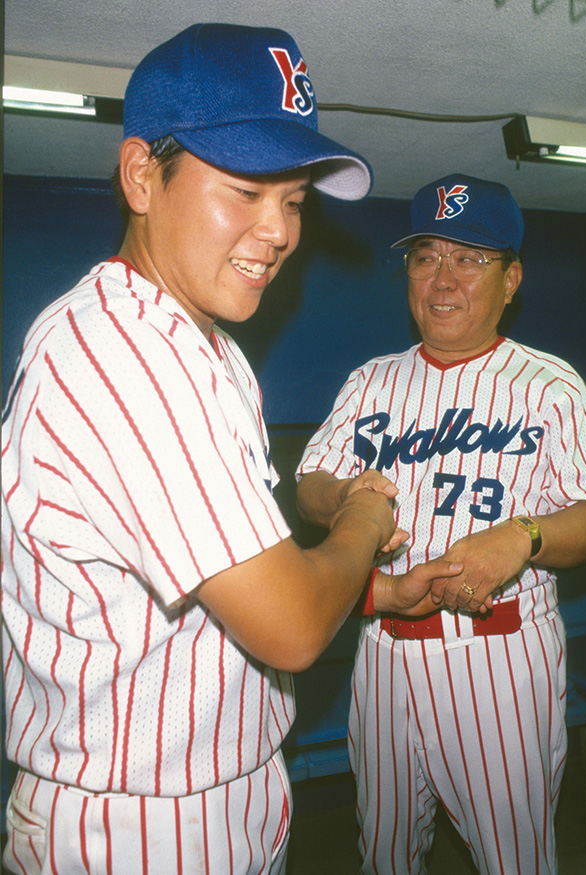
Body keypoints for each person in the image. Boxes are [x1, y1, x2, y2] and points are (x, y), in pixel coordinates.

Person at [0, 24, 460, 875]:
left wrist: (375, 591)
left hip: (218, 794)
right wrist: (362, 521)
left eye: (293, 201)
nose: (279, 230)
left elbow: (223, 589)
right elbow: (287, 625)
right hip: (136, 828)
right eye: (245, 189)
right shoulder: (122, 352)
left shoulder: (204, 348)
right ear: (143, 175)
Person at [295, 173, 586, 875]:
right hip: (383, 650)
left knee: (513, 859)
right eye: (426, 257)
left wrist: (524, 535)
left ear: (511, 280)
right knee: (383, 851)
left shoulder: (550, 384)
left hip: (499, 656)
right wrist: (347, 502)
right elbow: (310, 483)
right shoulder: (371, 381)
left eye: (469, 258)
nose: (442, 278)